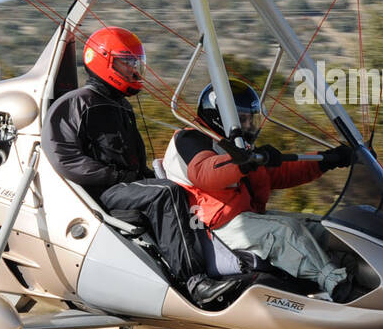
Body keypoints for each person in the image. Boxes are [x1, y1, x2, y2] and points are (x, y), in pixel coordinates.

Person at [42, 27, 243, 305]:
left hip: (124, 185)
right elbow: (64, 157)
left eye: (136, 62)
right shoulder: (77, 103)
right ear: (104, 60)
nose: (134, 69)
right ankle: (194, 283)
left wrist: (148, 176)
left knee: (182, 190)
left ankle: (214, 268)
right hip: (99, 192)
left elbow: (134, 158)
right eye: (127, 62)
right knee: (166, 194)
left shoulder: (121, 106)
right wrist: (114, 175)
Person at [163, 78, 355, 298]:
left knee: (321, 227)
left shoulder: (236, 147)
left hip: (244, 218)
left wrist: (327, 160)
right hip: (211, 227)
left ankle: (357, 275)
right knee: (285, 231)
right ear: (221, 117)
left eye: (250, 119)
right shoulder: (190, 139)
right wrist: (244, 162)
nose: (248, 126)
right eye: (243, 120)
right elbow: (206, 173)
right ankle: (338, 288)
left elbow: (280, 172)